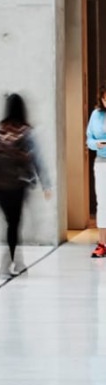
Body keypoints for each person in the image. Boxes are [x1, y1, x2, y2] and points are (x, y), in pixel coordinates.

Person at [0, 92, 51, 278]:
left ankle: (17, 262)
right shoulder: (26, 132)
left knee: (9, 224)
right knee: (13, 224)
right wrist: (45, 184)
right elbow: (37, 159)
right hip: (19, 185)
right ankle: (7, 264)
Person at [85, 85, 106, 258]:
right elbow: (89, 139)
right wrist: (96, 144)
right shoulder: (96, 115)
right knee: (103, 203)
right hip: (101, 161)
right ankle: (102, 243)